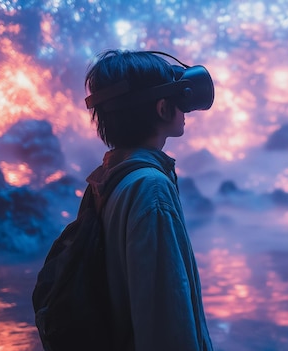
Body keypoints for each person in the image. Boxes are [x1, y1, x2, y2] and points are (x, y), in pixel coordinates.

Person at [83, 49, 214, 350]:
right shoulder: (151, 188)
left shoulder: (110, 179)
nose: (185, 111)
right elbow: (166, 319)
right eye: (180, 100)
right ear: (163, 108)